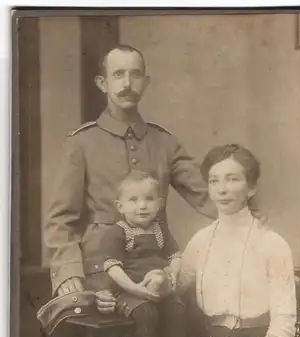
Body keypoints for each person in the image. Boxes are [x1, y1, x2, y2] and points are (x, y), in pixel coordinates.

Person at [145, 144, 298, 337]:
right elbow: (176, 289)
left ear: (251, 187)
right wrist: (158, 280)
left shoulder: (272, 243)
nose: (222, 189)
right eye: (214, 180)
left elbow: (284, 329)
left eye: (233, 179)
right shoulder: (200, 241)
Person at [44, 44, 215, 309]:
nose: (127, 84)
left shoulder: (164, 142)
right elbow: (60, 218)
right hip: (99, 271)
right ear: (102, 83)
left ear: (145, 83)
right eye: (118, 74)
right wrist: (68, 271)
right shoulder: (81, 143)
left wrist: (248, 213)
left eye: (135, 75)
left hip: (154, 268)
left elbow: (205, 194)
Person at [102, 171, 190, 337]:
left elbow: (175, 256)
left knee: (177, 309)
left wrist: (172, 274)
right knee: (146, 313)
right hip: (129, 292)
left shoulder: (160, 230)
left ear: (159, 204)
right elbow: (113, 268)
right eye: (133, 200)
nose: (142, 206)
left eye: (149, 199)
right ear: (120, 206)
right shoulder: (117, 233)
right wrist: (135, 289)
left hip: (159, 288)